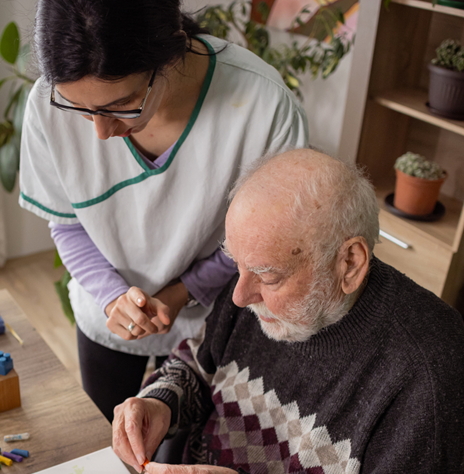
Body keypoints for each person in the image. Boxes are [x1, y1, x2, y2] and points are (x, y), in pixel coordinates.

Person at [112, 148, 464, 474]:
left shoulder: (427, 373)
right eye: (237, 265)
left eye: (269, 278)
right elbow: (199, 364)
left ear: (350, 263)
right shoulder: (255, 283)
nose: (239, 296)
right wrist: (161, 402)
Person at [19, 0, 308, 422]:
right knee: (112, 442)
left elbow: (266, 239)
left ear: (172, 50)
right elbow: (67, 223)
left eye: (123, 104)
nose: (101, 133)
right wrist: (111, 296)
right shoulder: (47, 103)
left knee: (187, 452)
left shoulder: (263, 105)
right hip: (108, 315)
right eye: (80, 110)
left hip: (212, 322)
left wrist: (184, 290)